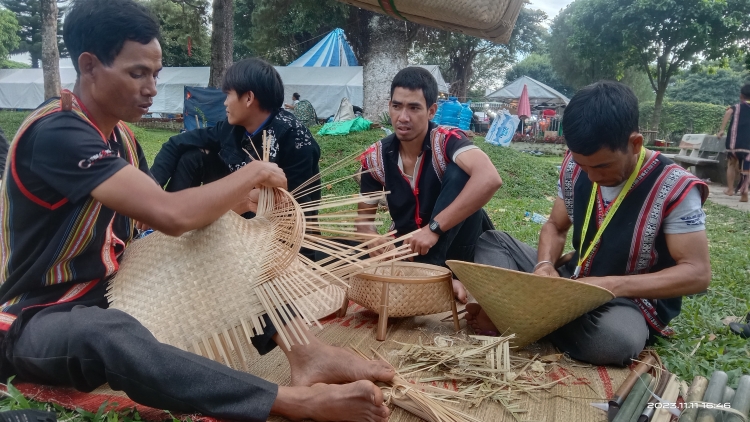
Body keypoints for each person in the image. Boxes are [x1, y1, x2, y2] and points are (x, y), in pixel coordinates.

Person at [0, 2, 394, 422]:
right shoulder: (57, 131)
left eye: (155, 74)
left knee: (223, 238)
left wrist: (238, 214)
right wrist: (254, 174)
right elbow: (169, 214)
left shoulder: (123, 139)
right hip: (38, 316)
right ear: (90, 65)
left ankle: (306, 352)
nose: (151, 87)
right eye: (137, 73)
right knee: (107, 334)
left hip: (115, 288)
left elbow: (154, 224)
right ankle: (287, 401)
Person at [466, 81, 711, 366]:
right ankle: (531, 314)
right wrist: (544, 265)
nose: (591, 176)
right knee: (493, 241)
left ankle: (516, 315)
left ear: (635, 144)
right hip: (574, 280)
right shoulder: (575, 167)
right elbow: (556, 227)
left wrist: (610, 285)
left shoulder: (676, 187)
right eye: (583, 166)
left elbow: (697, 273)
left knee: (615, 343)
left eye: (602, 166)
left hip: (629, 299)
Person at [357, 67, 503, 303]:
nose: (403, 117)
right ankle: (434, 277)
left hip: (460, 250)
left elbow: (490, 178)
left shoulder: (446, 140)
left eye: (414, 108)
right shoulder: (375, 158)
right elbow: (363, 222)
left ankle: (437, 274)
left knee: (461, 172)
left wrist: (433, 229)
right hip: (410, 251)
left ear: (431, 111)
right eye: (397, 106)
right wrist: (373, 238)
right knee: (341, 256)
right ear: (389, 107)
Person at [150, 60, 320, 219]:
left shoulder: (296, 139)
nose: (225, 103)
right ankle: (166, 220)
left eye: (228, 95)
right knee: (192, 157)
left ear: (248, 98)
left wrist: (258, 197)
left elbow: (300, 207)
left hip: (268, 228)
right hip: (235, 204)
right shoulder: (232, 128)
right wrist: (154, 185)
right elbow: (177, 143)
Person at [717, 84, 750, 202]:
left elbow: (727, 113)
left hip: (733, 143)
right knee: (746, 167)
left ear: (741, 95)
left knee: (731, 164)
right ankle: (744, 189)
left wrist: (721, 130)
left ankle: (730, 189)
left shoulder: (736, 107)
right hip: (748, 145)